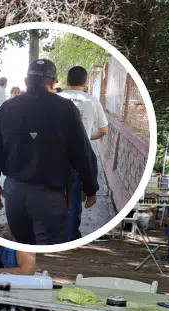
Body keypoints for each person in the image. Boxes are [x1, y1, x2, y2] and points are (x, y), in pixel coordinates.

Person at [0, 59, 99, 245]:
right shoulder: (66, 108)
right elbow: (82, 152)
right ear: (53, 82)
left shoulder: (7, 108)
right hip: (50, 197)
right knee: (49, 251)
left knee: (22, 248)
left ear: (26, 81)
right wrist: (90, 187)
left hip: (15, 193)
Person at [59, 66, 109, 241]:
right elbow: (104, 130)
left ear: (67, 81)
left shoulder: (55, 98)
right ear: (86, 83)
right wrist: (87, 138)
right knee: (74, 201)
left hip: (54, 157)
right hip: (79, 158)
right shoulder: (92, 101)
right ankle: (71, 237)